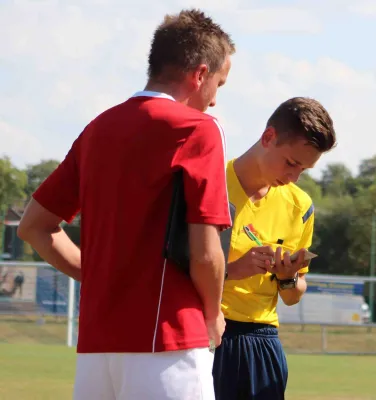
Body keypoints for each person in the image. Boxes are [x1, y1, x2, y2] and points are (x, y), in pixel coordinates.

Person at [17, 9, 235, 400]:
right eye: (220, 83)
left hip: (97, 348)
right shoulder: (198, 129)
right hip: (168, 341)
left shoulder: (99, 128)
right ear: (199, 74)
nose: (216, 100)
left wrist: (101, 277)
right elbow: (207, 254)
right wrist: (213, 312)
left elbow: (34, 226)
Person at [212, 97, 336, 400]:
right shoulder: (210, 184)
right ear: (269, 137)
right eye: (291, 163)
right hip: (209, 334)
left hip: (263, 341)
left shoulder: (300, 205)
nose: (293, 176)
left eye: (303, 170)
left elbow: (292, 296)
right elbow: (173, 269)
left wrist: (288, 278)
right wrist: (232, 270)